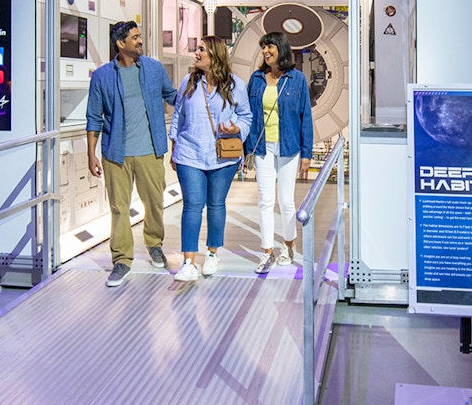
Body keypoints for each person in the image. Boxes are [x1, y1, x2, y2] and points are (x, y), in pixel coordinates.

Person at [86, 20, 177, 287]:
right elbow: (94, 117)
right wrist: (91, 154)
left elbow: (173, 96)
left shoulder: (154, 68)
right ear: (120, 43)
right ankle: (122, 260)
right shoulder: (102, 76)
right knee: (119, 208)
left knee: (155, 202)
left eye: (140, 36)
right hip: (116, 154)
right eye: (135, 37)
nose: (140, 41)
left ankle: (154, 244)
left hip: (150, 150)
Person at [168, 36, 252, 282]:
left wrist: (235, 128)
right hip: (189, 154)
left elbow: (246, 116)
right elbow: (178, 115)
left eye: (201, 49)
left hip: (222, 158)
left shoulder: (236, 85)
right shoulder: (188, 82)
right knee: (192, 204)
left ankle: (212, 253)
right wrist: (174, 146)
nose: (196, 53)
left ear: (215, 55)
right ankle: (188, 262)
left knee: (216, 204)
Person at [244, 31, 313, 274]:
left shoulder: (297, 79)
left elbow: (305, 117)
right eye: (263, 47)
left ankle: (289, 244)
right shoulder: (256, 79)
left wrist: (307, 154)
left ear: (280, 49)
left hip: (289, 147)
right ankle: (267, 251)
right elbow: (248, 115)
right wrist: (247, 149)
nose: (265, 51)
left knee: (286, 200)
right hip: (262, 148)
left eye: (270, 46)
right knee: (265, 200)